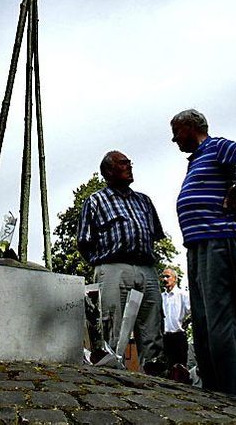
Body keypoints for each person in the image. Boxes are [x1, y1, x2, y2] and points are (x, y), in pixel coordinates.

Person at [170, 108, 236, 396]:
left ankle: (234, 391)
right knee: (202, 318)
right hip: (198, 243)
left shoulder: (216, 146)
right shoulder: (195, 160)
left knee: (220, 315)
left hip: (219, 238)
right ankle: (215, 389)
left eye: (176, 130)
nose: (173, 138)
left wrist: (235, 191)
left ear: (191, 127)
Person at [77, 150, 165, 375]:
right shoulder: (95, 201)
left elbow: (154, 234)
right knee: (112, 327)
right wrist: (103, 268)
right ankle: (113, 376)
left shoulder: (144, 200)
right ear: (108, 171)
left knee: (152, 327)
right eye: (123, 163)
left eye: (129, 162)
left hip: (146, 268)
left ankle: (154, 376)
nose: (129, 166)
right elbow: (84, 241)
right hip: (113, 268)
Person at [160, 268, 191, 377]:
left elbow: (193, 311)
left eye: (167, 276)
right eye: (163, 276)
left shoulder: (182, 295)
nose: (165, 279)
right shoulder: (161, 297)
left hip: (178, 336)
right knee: (166, 369)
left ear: (175, 279)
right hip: (165, 337)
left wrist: (186, 322)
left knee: (180, 370)